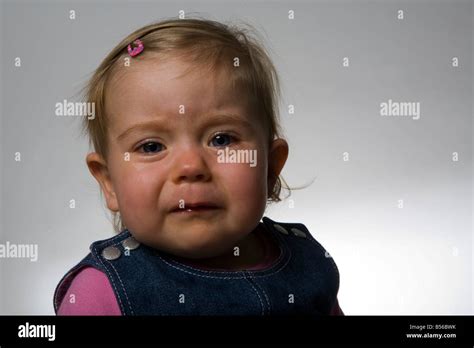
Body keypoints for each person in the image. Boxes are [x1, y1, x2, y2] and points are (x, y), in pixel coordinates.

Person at [53, 17, 344, 316]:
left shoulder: (307, 261)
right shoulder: (100, 294)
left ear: (270, 167)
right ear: (109, 182)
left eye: (221, 139)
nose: (191, 166)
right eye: (151, 147)